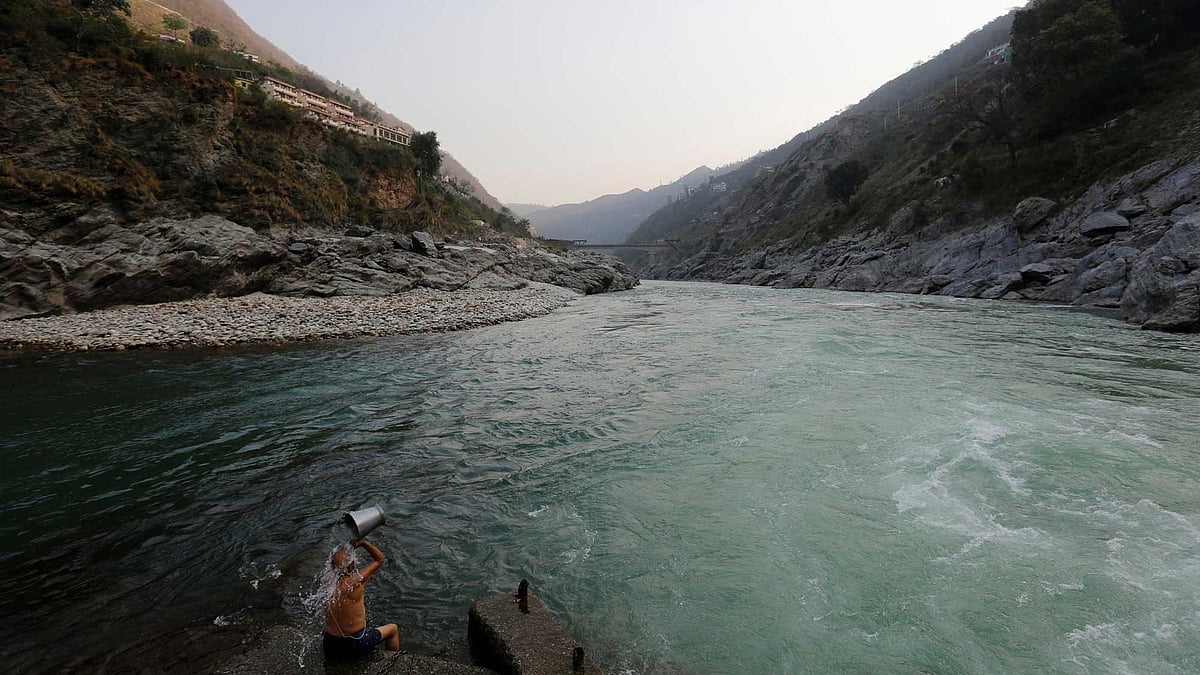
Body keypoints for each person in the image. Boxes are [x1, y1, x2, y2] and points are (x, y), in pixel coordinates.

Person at [322, 538, 400, 660]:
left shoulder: (327, 582)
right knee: (393, 628)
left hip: (329, 644)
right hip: (353, 645)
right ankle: (389, 663)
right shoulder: (355, 582)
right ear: (352, 565)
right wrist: (364, 543)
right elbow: (379, 559)